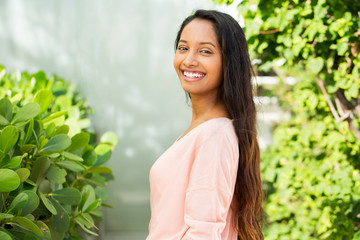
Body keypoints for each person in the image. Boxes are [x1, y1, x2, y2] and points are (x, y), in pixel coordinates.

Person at [147, 9, 263, 240]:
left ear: (229, 62)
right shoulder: (205, 130)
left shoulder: (215, 135)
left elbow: (203, 234)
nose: (189, 60)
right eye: (183, 47)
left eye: (205, 51)